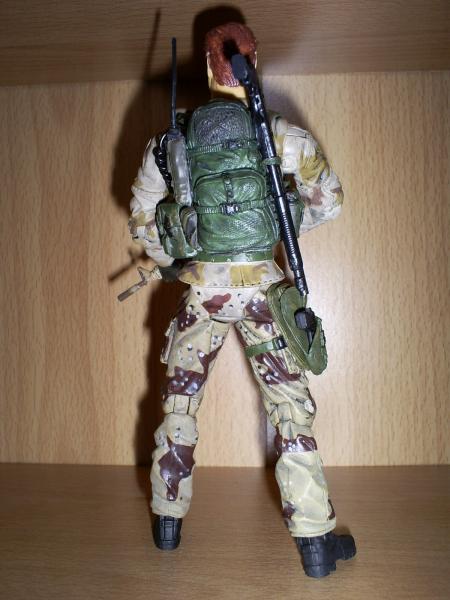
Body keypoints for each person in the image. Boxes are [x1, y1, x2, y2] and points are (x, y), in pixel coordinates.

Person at [128, 22, 356, 578]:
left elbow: (143, 223)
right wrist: (281, 228)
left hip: (201, 293)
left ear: (208, 69)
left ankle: (166, 521)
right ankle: (314, 542)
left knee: (180, 404)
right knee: (289, 410)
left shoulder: (170, 143)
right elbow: (329, 201)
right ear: (255, 62)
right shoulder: (279, 133)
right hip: (263, 291)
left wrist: (178, 256)